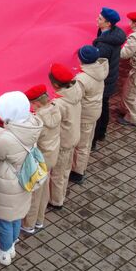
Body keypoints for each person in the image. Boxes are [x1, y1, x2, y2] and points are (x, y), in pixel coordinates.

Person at [0, 92, 42, 267]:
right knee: (15, 217)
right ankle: (9, 245)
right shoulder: (29, 127)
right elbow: (7, 134)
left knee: (3, 220)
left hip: (7, 188)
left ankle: (3, 254)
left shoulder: (8, 141)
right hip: (21, 186)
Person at [21, 85, 61, 234]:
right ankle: (39, 219)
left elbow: (31, 140)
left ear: (36, 103)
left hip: (40, 160)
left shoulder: (38, 121)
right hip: (51, 156)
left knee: (35, 194)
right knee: (44, 191)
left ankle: (28, 224)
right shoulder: (56, 108)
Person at [69, 46, 108, 184]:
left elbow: (74, 97)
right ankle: (81, 166)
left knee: (81, 143)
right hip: (95, 110)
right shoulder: (99, 69)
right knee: (87, 139)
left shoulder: (82, 78)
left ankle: (78, 171)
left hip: (85, 114)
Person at [47, 63, 82, 211]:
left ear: (55, 84)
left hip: (63, 142)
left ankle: (56, 200)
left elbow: (51, 122)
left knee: (57, 173)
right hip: (74, 136)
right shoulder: (76, 91)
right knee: (65, 169)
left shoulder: (59, 103)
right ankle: (60, 193)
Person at [91, 7, 126, 149]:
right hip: (110, 79)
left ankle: (93, 141)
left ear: (108, 23)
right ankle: (102, 133)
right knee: (104, 106)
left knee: (97, 112)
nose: (96, 20)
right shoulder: (115, 34)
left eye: (100, 19)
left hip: (104, 81)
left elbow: (98, 66)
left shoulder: (105, 45)